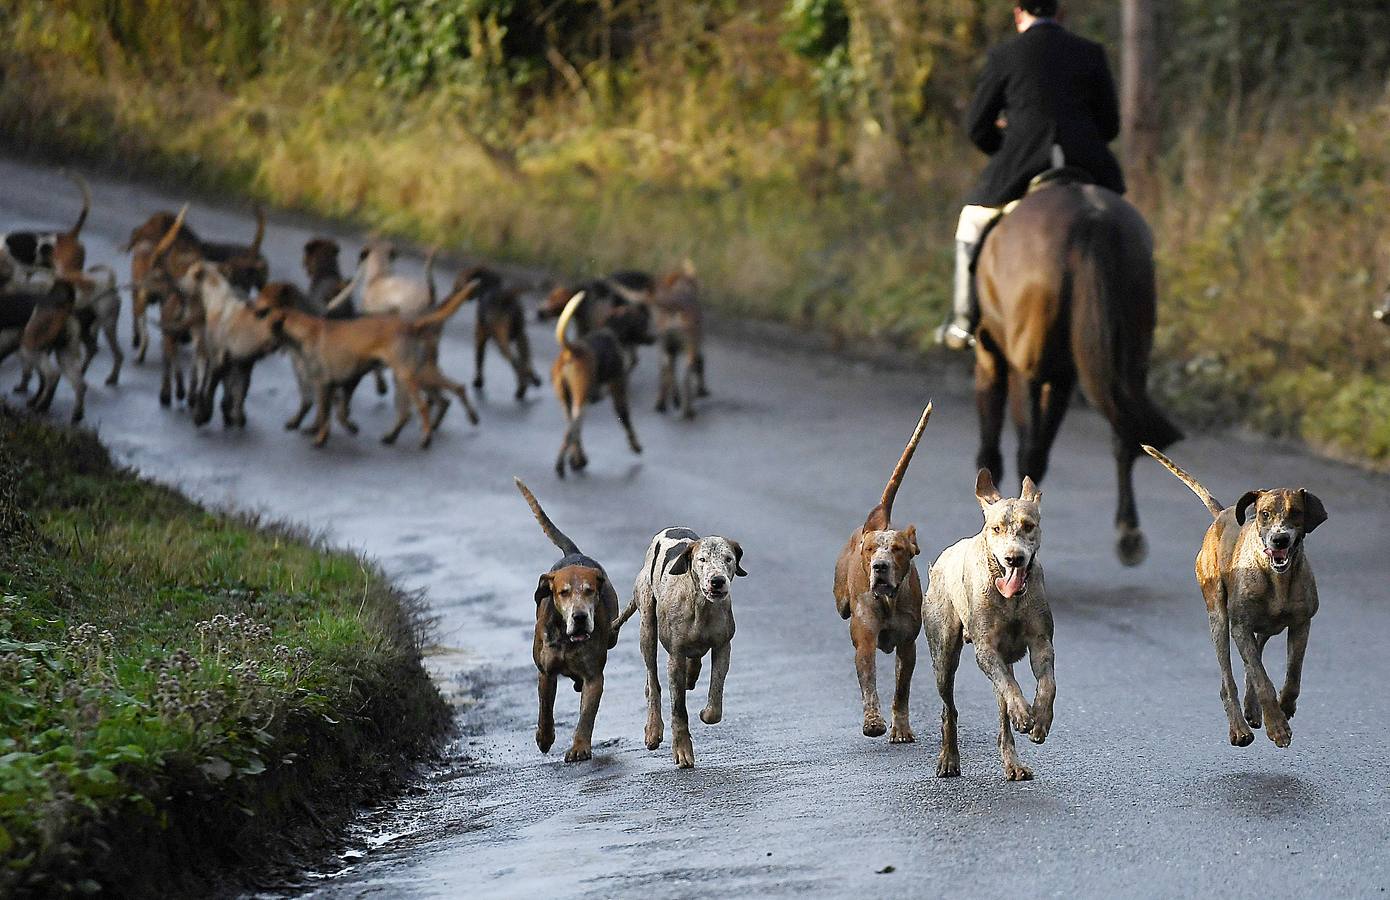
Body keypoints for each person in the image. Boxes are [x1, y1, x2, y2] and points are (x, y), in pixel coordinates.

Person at [938, 0, 1125, 350]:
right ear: (1061, 14)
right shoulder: (1091, 52)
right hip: (1090, 167)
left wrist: (1007, 143)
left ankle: (963, 321)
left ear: (1018, 13)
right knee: (1125, 227)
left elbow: (977, 127)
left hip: (1021, 165)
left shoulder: (1004, 55)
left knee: (972, 222)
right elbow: (1110, 126)